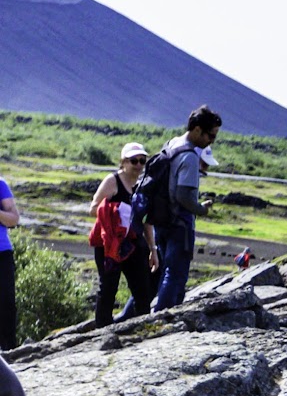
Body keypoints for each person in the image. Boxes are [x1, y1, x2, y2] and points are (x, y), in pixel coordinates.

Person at [150, 106, 222, 311]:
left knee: (160, 272)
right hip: (178, 224)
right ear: (197, 130)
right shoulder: (189, 156)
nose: (211, 141)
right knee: (175, 274)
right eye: (211, 135)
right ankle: (163, 319)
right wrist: (201, 209)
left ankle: (140, 315)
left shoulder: (171, 143)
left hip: (161, 220)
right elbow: (183, 196)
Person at [90, 142, 157, 325]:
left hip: (134, 244)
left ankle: (143, 328)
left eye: (142, 161)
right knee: (109, 288)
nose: (138, 165)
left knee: (143, 288)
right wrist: (116, 210)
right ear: (123, 162)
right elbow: (93, 209)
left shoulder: (144, 185)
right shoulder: (112, 181)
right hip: (110, 244)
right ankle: (102, 331)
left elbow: (147, 221)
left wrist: (153, 249)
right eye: (133, 160)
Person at [0, 170, 20, 351]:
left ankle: (9, 351)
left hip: (2, 252)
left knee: (6, 303)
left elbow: (13, 219)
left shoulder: (1, 184)